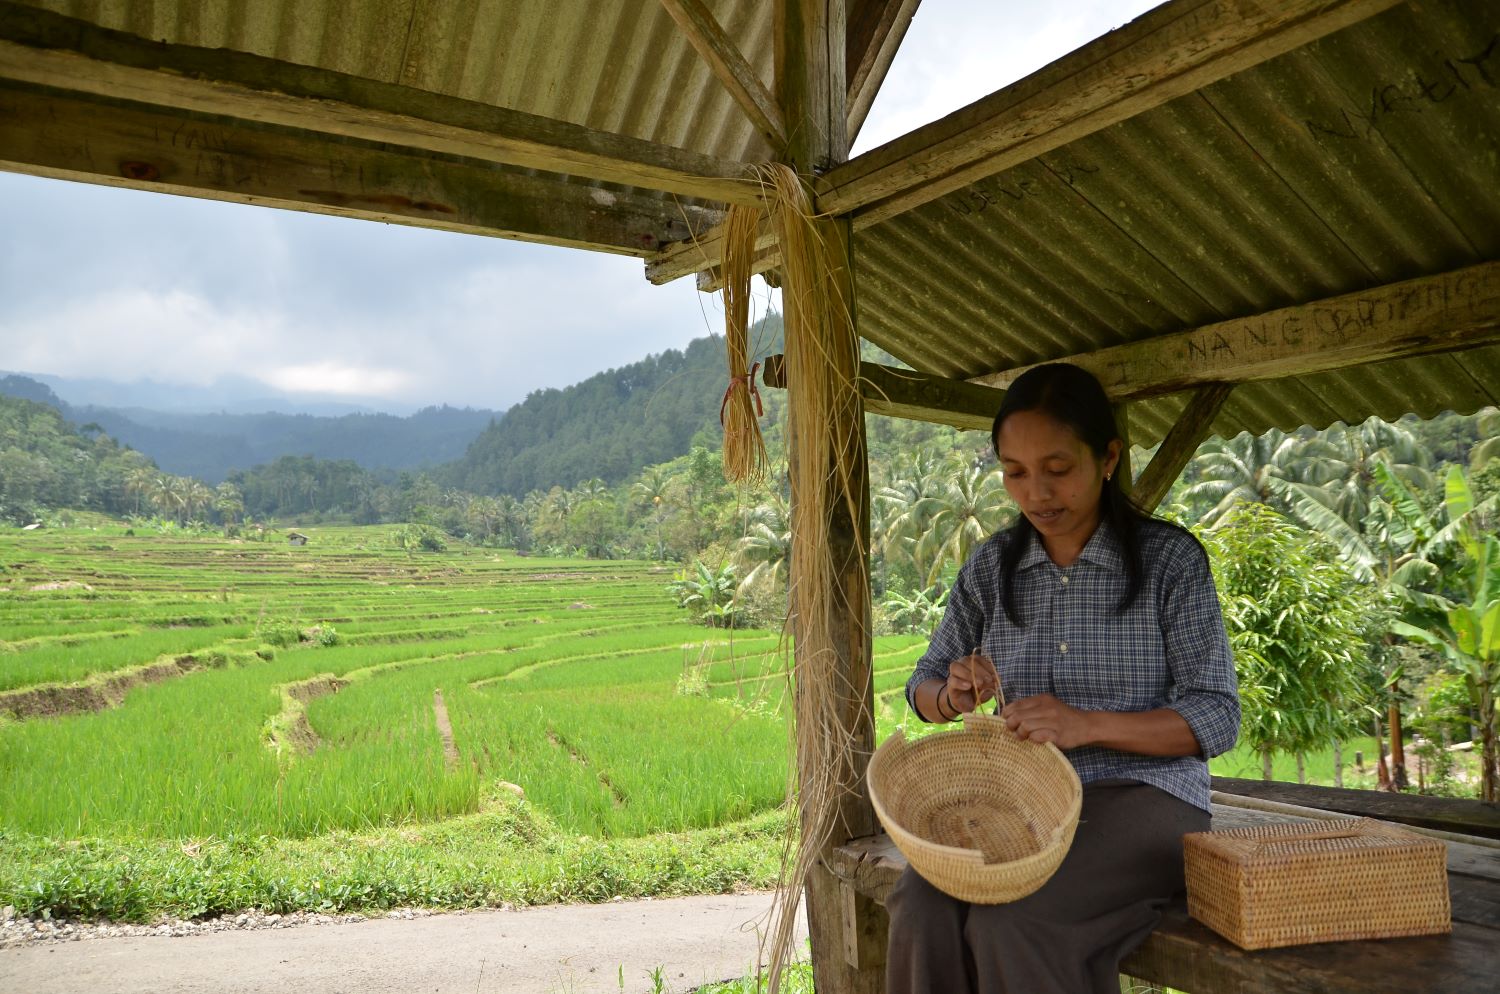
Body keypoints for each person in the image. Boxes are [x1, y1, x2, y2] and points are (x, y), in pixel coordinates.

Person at [887, 362, 1240, 994]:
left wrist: (1085, 725)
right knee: (920, 903)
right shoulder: (992, 565)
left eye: (1057, 469)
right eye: (1015, 473)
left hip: (1147, 798)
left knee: (1017, 923)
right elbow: (923, 685)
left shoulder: (1170, 562)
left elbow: (1216, 715)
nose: (1036, 494)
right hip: (1021, 801)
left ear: (1107, 457)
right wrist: (951, 693)